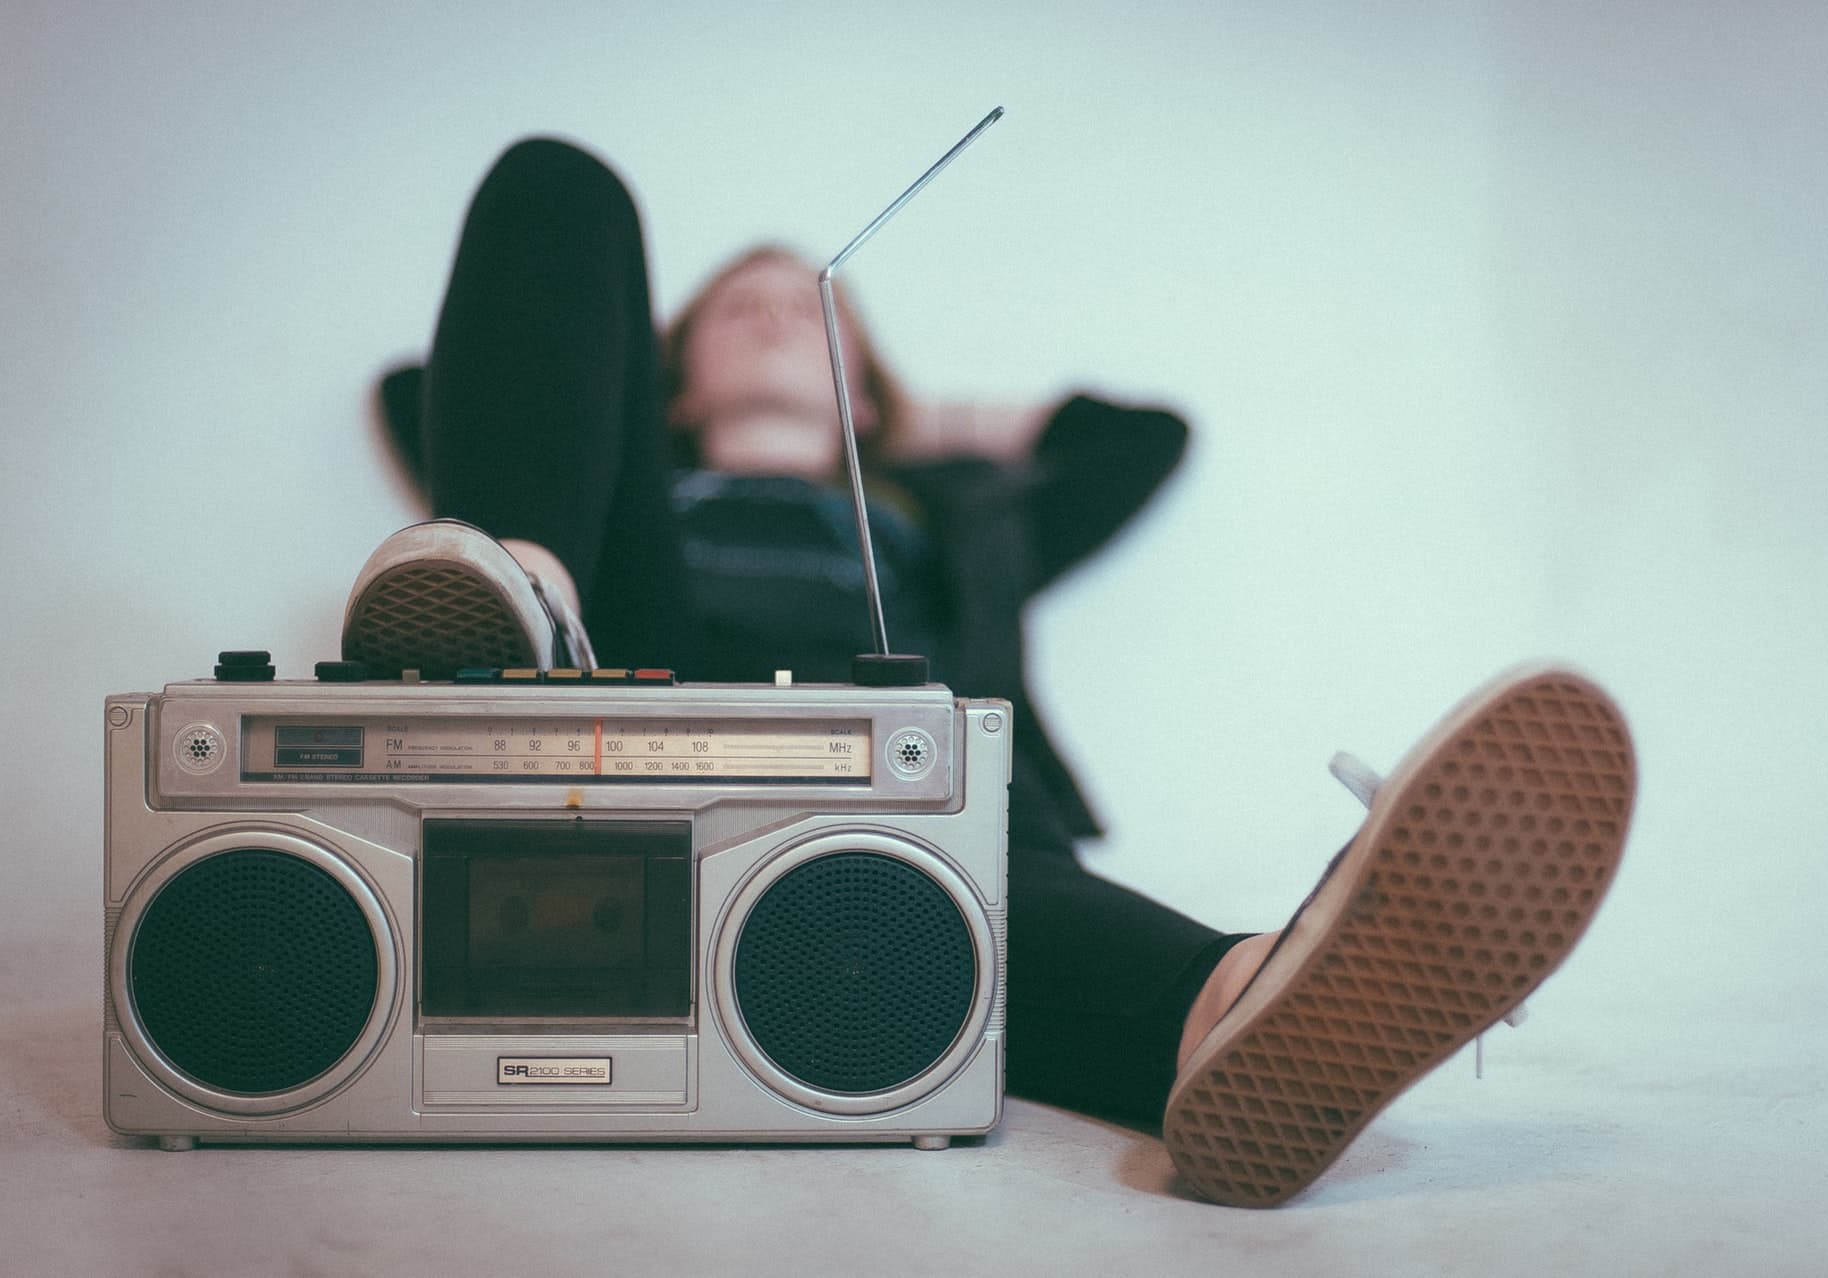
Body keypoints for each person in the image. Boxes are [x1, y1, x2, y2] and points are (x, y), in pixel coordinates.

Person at [346, 136, 1638, 1208]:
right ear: (669, 372)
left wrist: (910, 419)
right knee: (559, 179)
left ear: (868, 393)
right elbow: (434, 387)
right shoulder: (633, 487)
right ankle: (522, 606)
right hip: (640, 687)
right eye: (738, 310)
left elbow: (1141, 440)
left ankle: (1245, 1004)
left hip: (905, 776)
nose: (773, 315)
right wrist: (603, 434)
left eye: (813, 310)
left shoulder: (962, 512)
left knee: (979, 863)